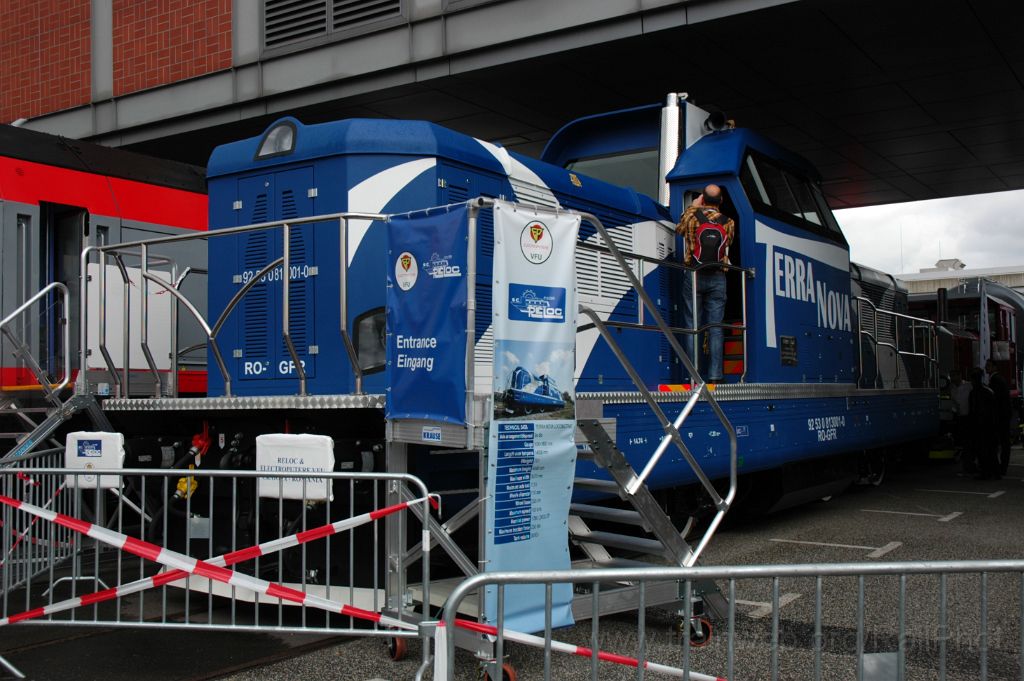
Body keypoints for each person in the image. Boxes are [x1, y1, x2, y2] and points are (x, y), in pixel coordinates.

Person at [676, 184, 735, 382]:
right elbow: (729, 243)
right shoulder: (729, 222)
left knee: (693, 325)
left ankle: (694, 375)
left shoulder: (692, 217)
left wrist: (693, 207)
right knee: (715, 327)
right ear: (721, 201)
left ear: (702, 199)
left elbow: (679, 229)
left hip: (694, 274)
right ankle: (715, 375)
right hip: (718, 277)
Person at [967, 366, 999, 480]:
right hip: (989, 424)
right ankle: (994, 472)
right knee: (990, 449)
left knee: (982, 450)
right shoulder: (988, 391)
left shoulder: (974, 393)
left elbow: (973, 410)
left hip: (979, 425)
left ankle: (986, 471)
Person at [984, 359, 1011, 476]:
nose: (986, 368)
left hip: (1000, 417)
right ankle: (1001, 467)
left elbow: (996, 400)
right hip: (1004, 416)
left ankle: (999, 467)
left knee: (999, 442)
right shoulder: (999, 379)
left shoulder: (995, 380)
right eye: (986, 366)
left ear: (995, 367)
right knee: (1004, 443)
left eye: (989, 366)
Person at [949, 371, 972, 462]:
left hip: (969, 416)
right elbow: (954, 403)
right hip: (960, 416)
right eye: (951, 376)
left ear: (959, 376)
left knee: (968, 438)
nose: (952, 378)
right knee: (962, 437)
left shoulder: (968, 386)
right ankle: (964, 454)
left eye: (954, 376)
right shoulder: (953, 389)